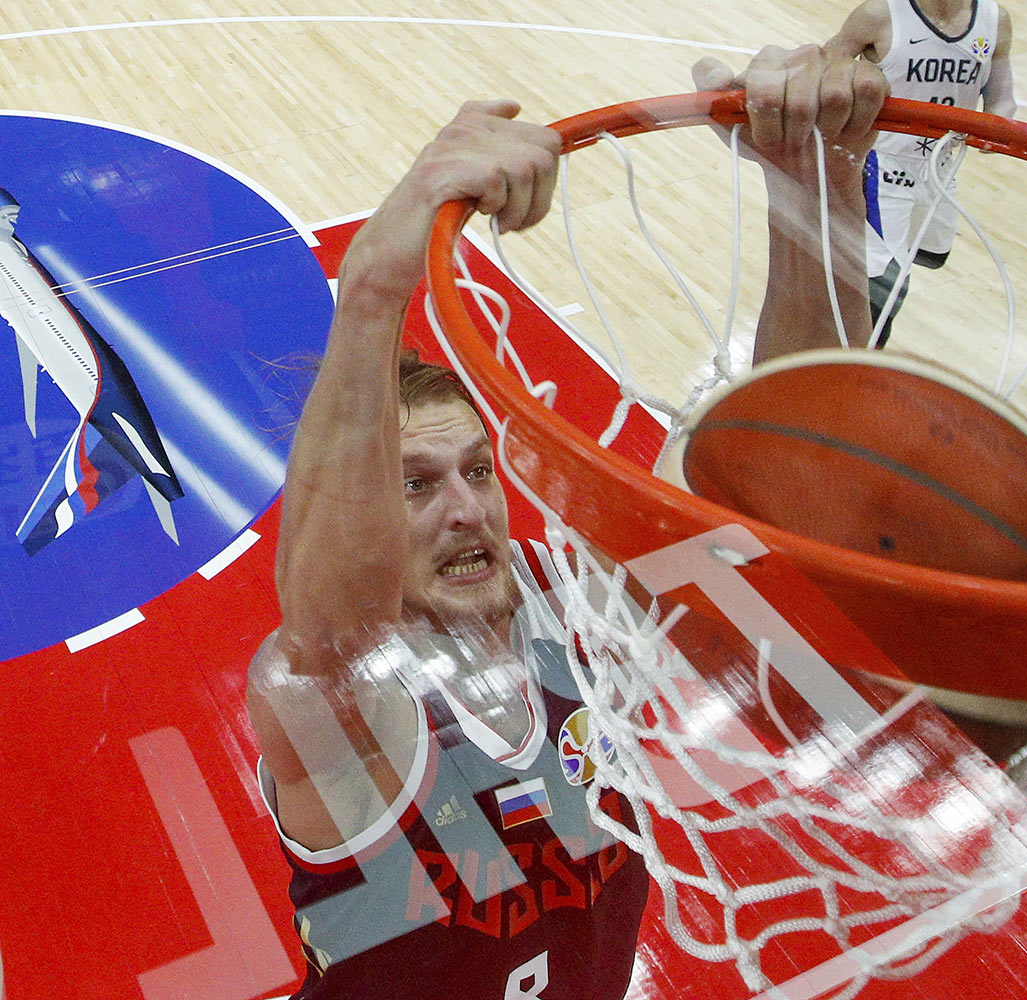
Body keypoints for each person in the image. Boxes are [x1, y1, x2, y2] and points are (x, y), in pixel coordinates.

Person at [244, 45, 888, 999]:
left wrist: (810, 186)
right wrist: (377, 282)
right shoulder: (323, 701)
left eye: (476, 470)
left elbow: (773, 485)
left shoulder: (577, 604)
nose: (467, 506)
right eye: (415, 486)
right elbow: (334, 633)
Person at [826, 0, 1017, 344]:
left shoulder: (995, 20)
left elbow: (1002, 97)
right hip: (881, 162)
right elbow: (826, 68)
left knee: (931, 254)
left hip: (941, 168)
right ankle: (856, 371)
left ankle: (837, 281)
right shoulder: (879, 15)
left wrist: (997, 125)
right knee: (885, 283)